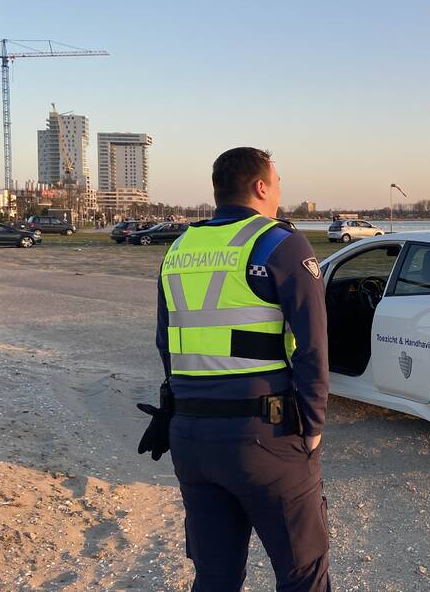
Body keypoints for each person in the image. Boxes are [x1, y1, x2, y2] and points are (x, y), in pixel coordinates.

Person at [137, 147, 331, 591]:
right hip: (265, 435)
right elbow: (311, 345)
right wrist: (314, 425)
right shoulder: (280, 242)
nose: (280, 193)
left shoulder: (180, 248)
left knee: (215, 576)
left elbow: (167, 341)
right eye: (277, 183)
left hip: (190, 436)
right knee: (303, 572)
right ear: (261, 186)